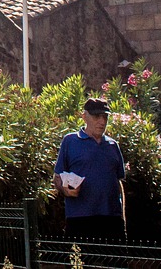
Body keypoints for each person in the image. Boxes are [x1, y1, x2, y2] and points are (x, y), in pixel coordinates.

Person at [53, 97, 126, 241]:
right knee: (80, 262)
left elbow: (118, 183)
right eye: (97, 116)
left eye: (105, 117)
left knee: (114, 262)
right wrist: (64, 189)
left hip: (111, 219)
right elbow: (57, 177)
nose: (102, 121)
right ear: (84, 116)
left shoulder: (112, 145)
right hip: (80, 218)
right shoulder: (70, 141)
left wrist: (122, 218)